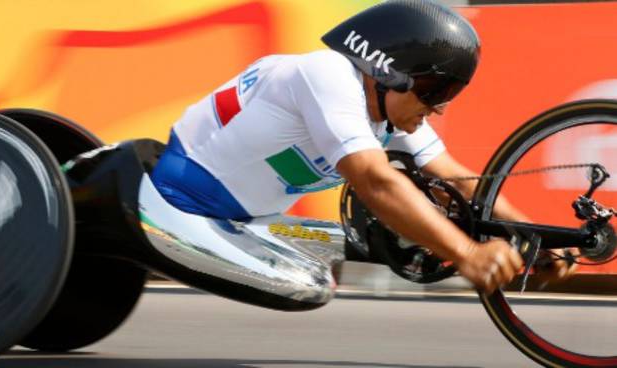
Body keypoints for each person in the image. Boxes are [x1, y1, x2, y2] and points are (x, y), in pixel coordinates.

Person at [151, 0, 573, 294]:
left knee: (353, 264)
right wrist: (466, 254)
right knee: (312, 285)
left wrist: (536, 237)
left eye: (448, 94)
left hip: (248, 220)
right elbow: (374, 180)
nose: (438, 107)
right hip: (181, 200)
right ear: (387, 72)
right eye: (432, 90)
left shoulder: (389, 113)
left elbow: (463, 183)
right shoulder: (326, 73)